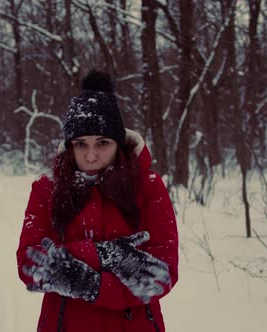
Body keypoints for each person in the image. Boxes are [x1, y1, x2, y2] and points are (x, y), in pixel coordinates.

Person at [17, 70, 178, 332]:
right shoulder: (47, 190)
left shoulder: (148, 187)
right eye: (81, 144)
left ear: (118, 142)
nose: (91, 156)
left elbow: (162, 275)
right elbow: (30, 263)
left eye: (102, 142)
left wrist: (89, 284)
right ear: (70, 146)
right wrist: (106, 256)